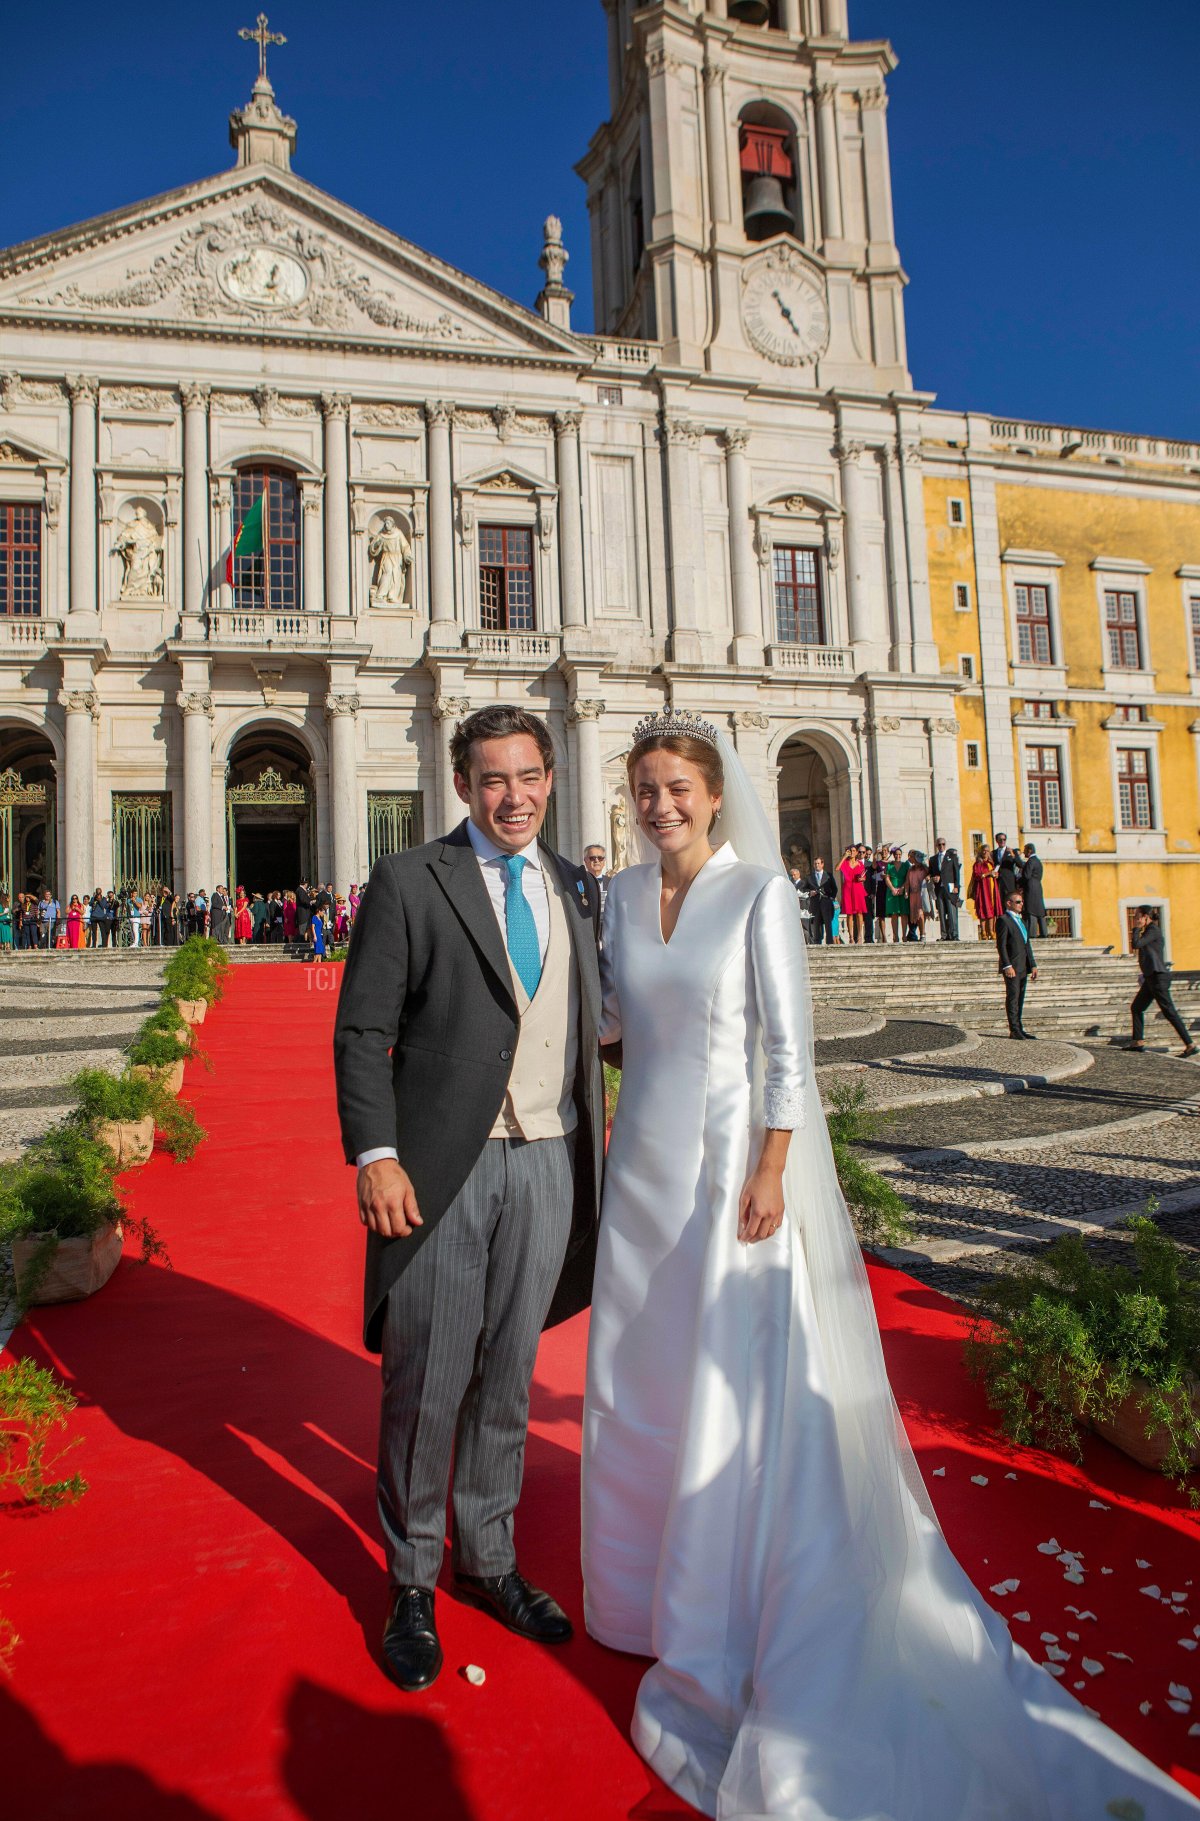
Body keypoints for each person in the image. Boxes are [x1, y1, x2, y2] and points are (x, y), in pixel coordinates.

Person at [583, 710, 1195, 1820]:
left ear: (717, 795)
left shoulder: (761, 896)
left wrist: (773, 1167)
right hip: (643, 1173)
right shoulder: (620, 899)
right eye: (645, 789)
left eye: (678, 787)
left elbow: (786, 1048)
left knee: (733, 1390)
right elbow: (616, 1018)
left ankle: (716, 1606)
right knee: (646, 1378)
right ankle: (634, 1597)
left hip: (731, 1170)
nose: (660, 805)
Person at [332, 703, 604, 1695]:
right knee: (427, 1379)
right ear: (463, 786)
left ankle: (486, 1561)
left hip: (549, 1160)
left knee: (508, 1375)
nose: (515, 795)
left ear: (550, 777)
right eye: (494, 778)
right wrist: (378, 1154)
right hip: (444, 1167)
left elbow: (585, 1020)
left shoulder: (576, 886)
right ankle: (409, 1582)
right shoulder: (411, 881)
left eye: (529, 775)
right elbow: (363, 1033)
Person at [1128, 906, 1197, 1057]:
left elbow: (1136, 944)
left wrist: (1135, 930)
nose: (1136, 920)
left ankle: (1190, 1044)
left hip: (1159, 977)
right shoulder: (1149, 931)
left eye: (1138, 917)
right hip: (1151, 977)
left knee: (1169, 1011)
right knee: (1137, 1007)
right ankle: (1137, 1041)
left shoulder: (1153, 930)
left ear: (1146, 917)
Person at [997, 885, 1038, 1039]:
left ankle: (1019, 1026)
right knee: (1013, 997)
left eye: (1021, 902)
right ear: (1009, 903)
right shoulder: (1003, 920)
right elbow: (1001, 945)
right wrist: (1007, 965)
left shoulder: (1022, 921)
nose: (1021, 904)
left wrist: (1033, 964)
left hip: (1023, 965)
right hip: (1012, 966)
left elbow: (1027, 944)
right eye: (1018, 902)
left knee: (1020, 997)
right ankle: (1014, 1029)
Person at [969, 846, 1002, 939]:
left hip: (992, 888)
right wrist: (988, 873)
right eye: (984, 851)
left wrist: (995, 875)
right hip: (983, 889)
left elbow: (994, 874)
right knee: (983, 908)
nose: (985, 853)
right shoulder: (977, 864)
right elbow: (977, 875)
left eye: (987, 851)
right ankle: (983, 932)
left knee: (992, 909)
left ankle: (991, 931)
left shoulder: (991, 863)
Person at [802, 856, 837, 944]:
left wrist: (831, 898)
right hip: (815, 903)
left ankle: (829, 942)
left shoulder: (828, 875)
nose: (817, 865)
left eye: (818, 863)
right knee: (816, 923)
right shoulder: (809, 877)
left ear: (822, 864)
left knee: (828, 923)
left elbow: (835, 888)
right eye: (815, 864)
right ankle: (817, 942)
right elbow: (803, 889)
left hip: (826, 902)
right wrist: (810, 892)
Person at [836, 844, 866, 943]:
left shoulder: (860, 864)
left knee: (859, 913)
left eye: (854, 850)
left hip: (858, 888)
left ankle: (860, 936)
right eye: (850, 850)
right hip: (848, 888)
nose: (852, 852)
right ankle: (851, 937)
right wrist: (844, 856)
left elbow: (863, 876)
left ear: (857, 852)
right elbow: (837, 868)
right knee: (849, 913)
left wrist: (862, 879)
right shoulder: (845, 863)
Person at [934, 840, 962, 940]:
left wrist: (957, 886)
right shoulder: (933, 859)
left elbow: (956, 872)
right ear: (936, 845)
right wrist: (933, 877)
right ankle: (944, 935)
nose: (941, 846)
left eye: (943, 844)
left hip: (950, 888)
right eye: (939, 844)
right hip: (939, 888)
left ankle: (954, 934)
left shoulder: (952, 856)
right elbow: (932, 872)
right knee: (941, 912)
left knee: (952, 911)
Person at [1021, 842, 1047, 938]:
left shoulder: (1031, 861)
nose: (1024, 852)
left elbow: (1026, 875)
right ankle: (1044, 932)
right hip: (1037, 886)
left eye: (1025, 850)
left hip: (1030, 887)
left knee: (1031, 910)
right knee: (1039, 910)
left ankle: (1032, 934)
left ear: (1029, 850)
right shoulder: (1038, 861)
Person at [884, 845, 908, 942]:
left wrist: (902, 888)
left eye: (899, 854)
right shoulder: (889, 865)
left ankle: (904, 936)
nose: (898, 856)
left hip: (902, 891)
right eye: (896, 854)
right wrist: (893, 889)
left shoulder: (906, 865)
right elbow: (887, 878)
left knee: (904, 914)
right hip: (892, 892)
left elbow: (908, 878)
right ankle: (895, 936)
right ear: (893, 855)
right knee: (894, 914)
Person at [905, 848, 928, 941]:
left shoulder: (925, 868)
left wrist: (928, 877)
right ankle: (919, 932)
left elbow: (929, 875)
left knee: (921, 914)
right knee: (915, 916)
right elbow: (907, 882)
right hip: (913, 895)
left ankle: (922, 934)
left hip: (922, 894)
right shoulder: (910, 869)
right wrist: (906, 892)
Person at [993, 832, 1021, 906]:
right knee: (1000, 903)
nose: (1002, 841)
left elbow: (1020, 864)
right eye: (1000, 839)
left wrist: (1013, 855)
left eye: (1004, 839)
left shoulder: (1012, 851)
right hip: (998, 881)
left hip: (1009, 882)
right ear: (996, 840)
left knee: (1010, 902)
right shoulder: (993, 853)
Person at [582, 844, 609, 912]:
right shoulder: (579, 882)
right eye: (592, 858)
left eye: (600, 858)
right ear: (585, 860)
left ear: (604, 861)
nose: (596, 860)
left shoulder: (612, 882)